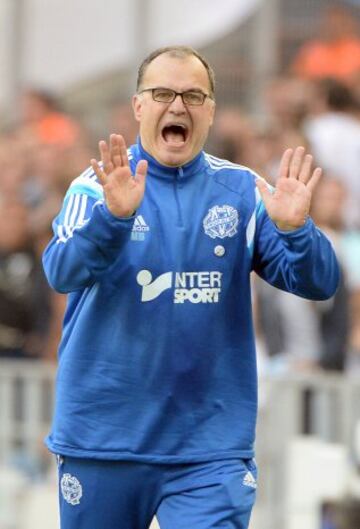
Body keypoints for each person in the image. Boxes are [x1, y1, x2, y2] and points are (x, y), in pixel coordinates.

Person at [42, 46, 339, 529]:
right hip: (104, 440)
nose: (178, 106)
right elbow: (60, 271)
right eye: (163, 94)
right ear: (139, 106)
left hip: (209, 448)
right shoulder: (96, 188)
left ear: (211, 110)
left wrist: (296, 230)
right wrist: (112, 219)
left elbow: (319, 283)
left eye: (193, 96)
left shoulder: (244, 191)